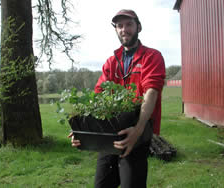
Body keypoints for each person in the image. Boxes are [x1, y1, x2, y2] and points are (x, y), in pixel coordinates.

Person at [69, 9, 165, 188]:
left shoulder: (152, 56)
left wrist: (137, 130)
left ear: (139, 26)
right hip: (110, 132)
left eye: (129, 24)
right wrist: (81, 129)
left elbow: (151, 92)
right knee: (102, 184)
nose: (124, 29)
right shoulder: (111, 62)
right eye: (119, 26)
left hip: (138, 129)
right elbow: (97, 97)